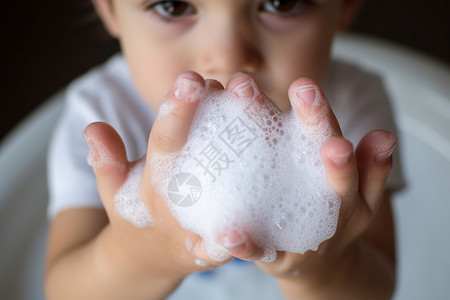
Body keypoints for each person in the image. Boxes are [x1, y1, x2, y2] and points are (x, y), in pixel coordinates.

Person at [44, 0, 405, 299]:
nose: (229, 56)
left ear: (344, 8)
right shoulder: (102, 117)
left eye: (281, 4)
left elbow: (377, 286)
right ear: (109, 10)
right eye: (174, 6)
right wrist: (142, 257)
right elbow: (63, 290)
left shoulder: (350, 105)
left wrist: (321, 268)